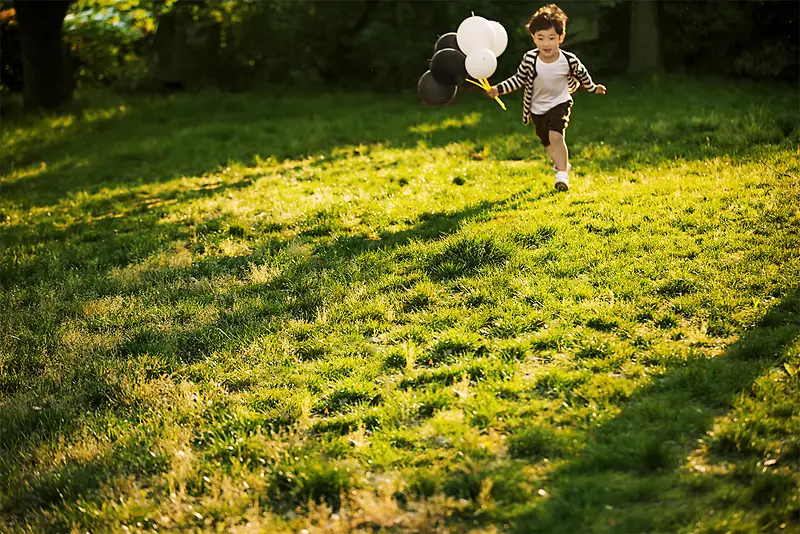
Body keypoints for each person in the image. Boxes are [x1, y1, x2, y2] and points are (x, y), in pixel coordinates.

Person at [486, 4, 606, 191]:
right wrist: (498, 89)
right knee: (548, 144)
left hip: (560, 102)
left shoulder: (568, 60)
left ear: (561, 38)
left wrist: (593, 88)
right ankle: (562, 164)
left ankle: (562, 177)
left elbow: (583, 75)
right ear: (533, 38)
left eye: (551, 38)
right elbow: (518, 79)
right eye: (540, 38)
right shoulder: (530, 59)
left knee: (556, 135)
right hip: (537, 109)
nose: (546, 43)